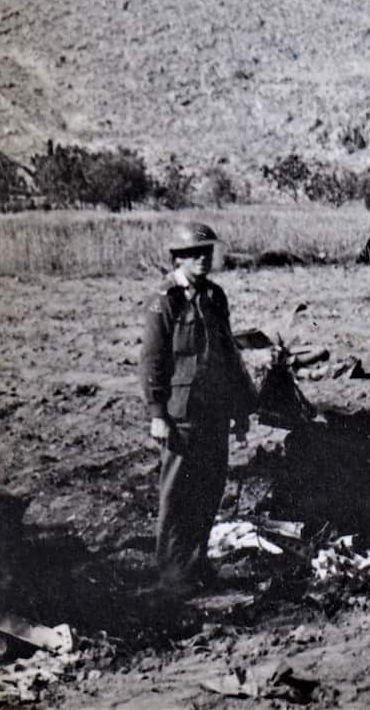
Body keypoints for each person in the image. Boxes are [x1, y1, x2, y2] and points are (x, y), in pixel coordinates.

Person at [140, 221, 256, 593]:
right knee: (177, 495)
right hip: (181, 414)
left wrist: (241, 407)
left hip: (214, 411)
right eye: (194, 254)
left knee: (209, 489)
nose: (203, 259)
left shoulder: (215, 296)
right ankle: (171, 575)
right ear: (178, 257)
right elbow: (152, 360)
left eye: (206, 252)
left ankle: (196, 564)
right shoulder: (165, 299)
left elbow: (228, 355)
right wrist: (157, 414)